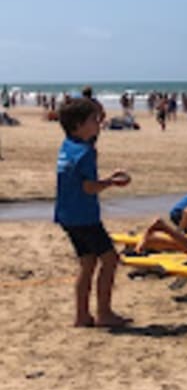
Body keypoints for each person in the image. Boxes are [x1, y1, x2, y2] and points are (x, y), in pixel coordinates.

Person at [54, 98, 133, 328]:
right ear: (79, 125)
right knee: (110, 260)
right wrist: (110, 182)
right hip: (84, 217)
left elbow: (78, 179)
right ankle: (104, 313)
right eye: (93, 120)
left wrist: (105, 179)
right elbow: (88, 187)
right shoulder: (87, 152)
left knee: (88, 263)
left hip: (67, 215)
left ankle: (82, 315)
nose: (99, 123)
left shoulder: (67, 144)